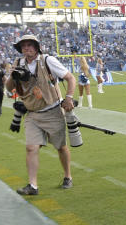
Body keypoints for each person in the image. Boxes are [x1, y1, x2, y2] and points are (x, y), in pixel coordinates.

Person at [6, 34, 76, 195]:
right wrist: (12, 75)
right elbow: (9, 89)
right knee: (31, 148)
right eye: (23, 46)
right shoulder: (18, 63)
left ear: (37, 47)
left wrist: (69, 97)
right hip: (32, 113)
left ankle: (68, 176)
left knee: (60, 147)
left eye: (30, 45)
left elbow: (70, 78)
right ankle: (33, 185)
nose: (26, 48)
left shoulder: (47, 61)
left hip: (52, 111)